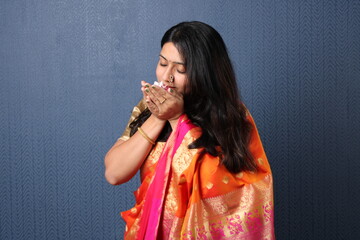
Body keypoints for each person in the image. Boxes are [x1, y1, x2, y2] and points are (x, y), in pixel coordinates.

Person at [104, 21, 275, 240]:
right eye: (163, 63)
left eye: (181, 69)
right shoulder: (148, 108)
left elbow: (233, 196)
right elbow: (114, 173)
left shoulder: (232, 116)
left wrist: (178, 119)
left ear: (205, 72)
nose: (167, 77)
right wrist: (159, 117)